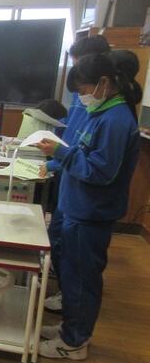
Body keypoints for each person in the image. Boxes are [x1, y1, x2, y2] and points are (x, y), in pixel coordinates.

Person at [36, 51, 141, 360]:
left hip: (91, 212)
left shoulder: (116, 120)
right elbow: (82, 152)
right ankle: (71, 328)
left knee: (82, 279)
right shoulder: (100, 113)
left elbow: (100, 172)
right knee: (71, 275)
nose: (81, 97)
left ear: (103, 83)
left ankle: (74, 342)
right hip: (77, 207)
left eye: (82, 90)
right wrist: (59, 158)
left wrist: (60, 153)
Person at [42, 35, 111, 313]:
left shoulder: (110, 117)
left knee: (78, 261)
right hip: (72, 187)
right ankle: (68, 306)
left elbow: (94, 163)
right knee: (62, 244)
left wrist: (57, 159)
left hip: (86, 202)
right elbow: (73, 133)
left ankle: (73, 325)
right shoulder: (89, 101)